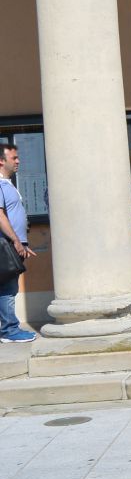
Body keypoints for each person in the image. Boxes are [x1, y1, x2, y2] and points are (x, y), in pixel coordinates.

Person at [0, 144, 36, 343]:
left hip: (13, 244)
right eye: (14, 158)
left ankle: (9, 329)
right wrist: (16, 241)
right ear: (1, 161)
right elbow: (0, 216)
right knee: (7, 288)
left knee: (8, 288)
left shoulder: (7, 183)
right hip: (6, 244)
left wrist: (22, 242)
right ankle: (10, 330)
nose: (18, 161)